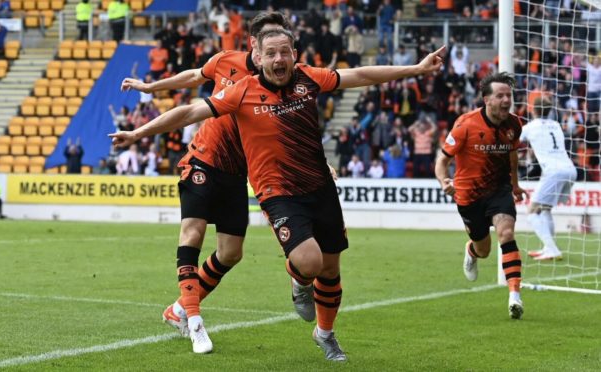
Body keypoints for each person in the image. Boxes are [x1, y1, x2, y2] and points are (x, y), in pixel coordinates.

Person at [111, 27, 443, 361]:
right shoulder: (242, 90)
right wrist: (138, 132)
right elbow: (189, 112)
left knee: (329, 268)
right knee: (309, 263)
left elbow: (359, 75)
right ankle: (295, 282)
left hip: (319, 187)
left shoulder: (308, 79)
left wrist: (416, 69)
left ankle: (325, 334)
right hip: (278, 192)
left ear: (295, 53)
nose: (278, 59)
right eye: (271, 53)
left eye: (284, 51)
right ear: (258, 56)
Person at [119, 12, 294, 354]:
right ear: (254, 46)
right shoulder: (225, 62)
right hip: (202, 159)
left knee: (231, 253)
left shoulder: (279, 85)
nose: (272, 57)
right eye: (265, 48)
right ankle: (196, 324)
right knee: (193, 233)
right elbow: (191, 78)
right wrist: (151, 87)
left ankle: (179, 309)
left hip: (235, 173)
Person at [435, 72, 527, 320]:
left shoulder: (515, 124)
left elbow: (512, 156)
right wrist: (443, 180)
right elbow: (442, 159)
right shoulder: (465, 124)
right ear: (487, 99)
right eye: (500, 95)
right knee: (484, 250)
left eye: (509, 95)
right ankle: (472, 252)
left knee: (506, 234)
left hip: (499, 190)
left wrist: (515, 186)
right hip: (469, 195)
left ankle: (514, 296)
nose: (506, 100)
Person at [522, 98, 577, 260]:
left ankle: (552, 249)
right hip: (570, 169)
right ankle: (548, 248)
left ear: (533, 110)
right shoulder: (556, 125)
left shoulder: (530, 127)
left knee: (531, 210)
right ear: (550, 111)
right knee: (545, 208)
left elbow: (512, 140)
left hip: (553, 171)